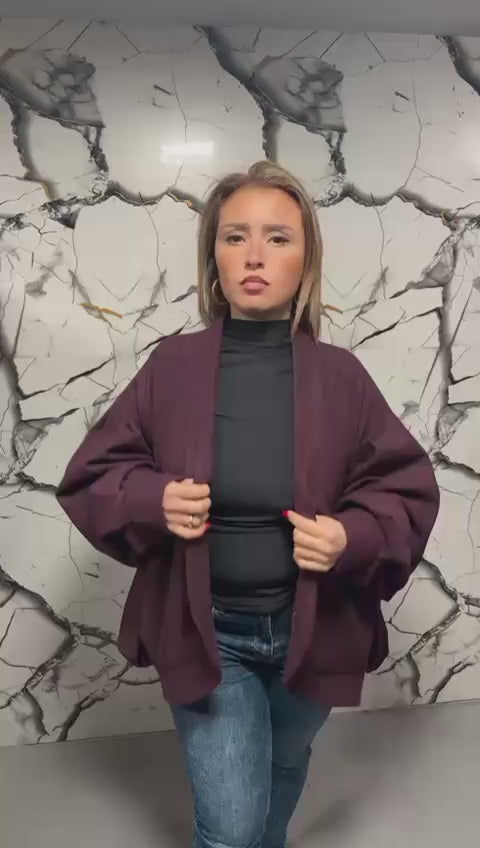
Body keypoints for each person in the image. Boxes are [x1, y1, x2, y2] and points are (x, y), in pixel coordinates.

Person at [57, 160, 440, 848]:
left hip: (314, 628)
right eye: (236, 236)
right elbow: (92, 476)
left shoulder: (342, 377)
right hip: (209, 631)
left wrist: (350, 537)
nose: (255, 255)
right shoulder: (171, 366)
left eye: (278, 238)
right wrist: (153, 498)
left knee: (284, 762)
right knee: (232, 827)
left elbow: (405, 488)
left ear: (306, 259)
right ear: (214, 258)